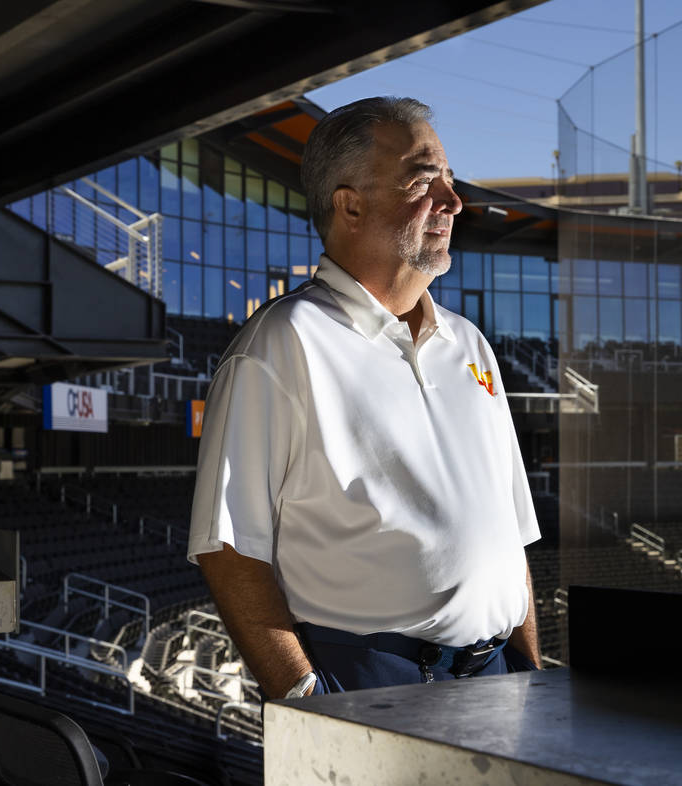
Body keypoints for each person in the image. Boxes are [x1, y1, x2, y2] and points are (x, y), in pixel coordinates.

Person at [187, 96, 541, 699]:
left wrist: (530, 673)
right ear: (349, 204)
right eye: (424, 180)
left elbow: (508, 533)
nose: (453, 202)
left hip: (499, 675)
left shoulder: (472, 345)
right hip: (376, 681)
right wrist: (306, 700)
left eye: (450, 182)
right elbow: (227, 547)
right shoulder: (283, 341)